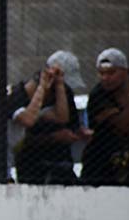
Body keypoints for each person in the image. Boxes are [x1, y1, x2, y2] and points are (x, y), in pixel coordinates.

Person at [13, 51, 83, 185]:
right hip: (32, 163)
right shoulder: (23, 96)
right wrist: (53, 137)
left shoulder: (65, 94)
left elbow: (69, 121)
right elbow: (20, 138)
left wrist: (78, 133)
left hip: (61, 160)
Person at [81, 48, 129, 186]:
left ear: (125, 72)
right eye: (101, 73)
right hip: (101, 160)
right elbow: (124, 125)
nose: (105, 78)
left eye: (111, 73)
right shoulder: (98, 95)